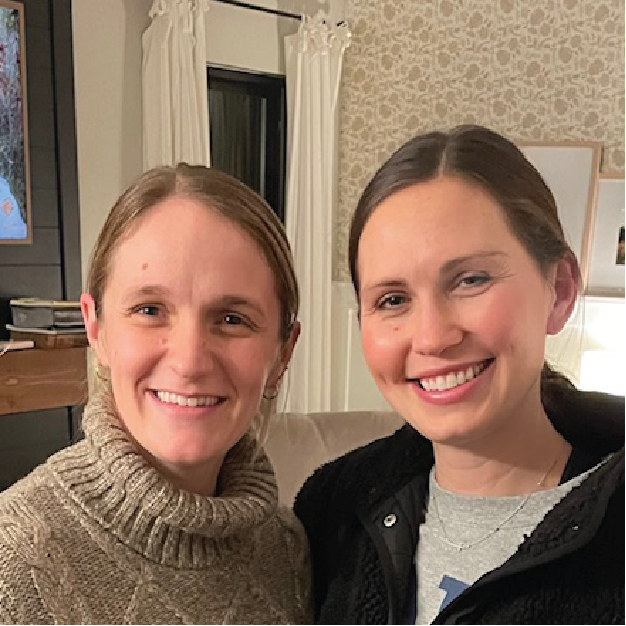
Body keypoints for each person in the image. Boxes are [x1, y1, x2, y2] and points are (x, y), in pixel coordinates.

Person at [294, 125, 624, 624]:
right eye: (393, 300)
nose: (432, 338)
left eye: (471, 280)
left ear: (558, 290)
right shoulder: (332, 509)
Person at [0, 164, 311, 624]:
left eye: (231, 319)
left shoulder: (290, 551)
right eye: (149, 310)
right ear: (96, 328)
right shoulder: (15, 564)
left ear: (283, 353)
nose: (189, 361)